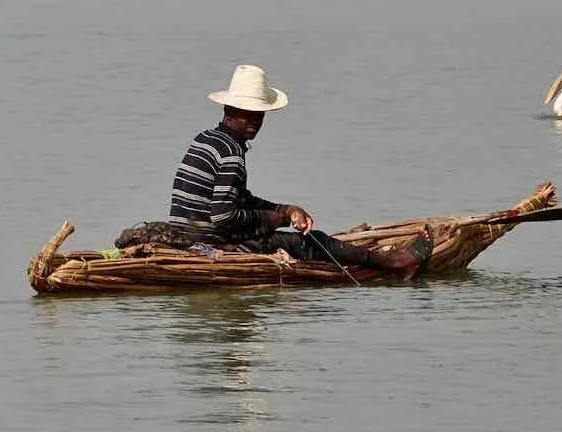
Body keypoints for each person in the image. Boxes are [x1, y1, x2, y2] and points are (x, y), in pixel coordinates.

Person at [169, 64, 431, 276]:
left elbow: (239, 199)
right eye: (246, 113)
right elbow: (224, 216)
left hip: (188, 236)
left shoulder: (206, 139)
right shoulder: (230, 152)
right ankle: (393, 262)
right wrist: (275, 220)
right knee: (307, 241)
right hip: (213, 242)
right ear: (229, 109)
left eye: (259, 114)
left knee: (289, 234)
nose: (254, 120)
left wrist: (285, 210)